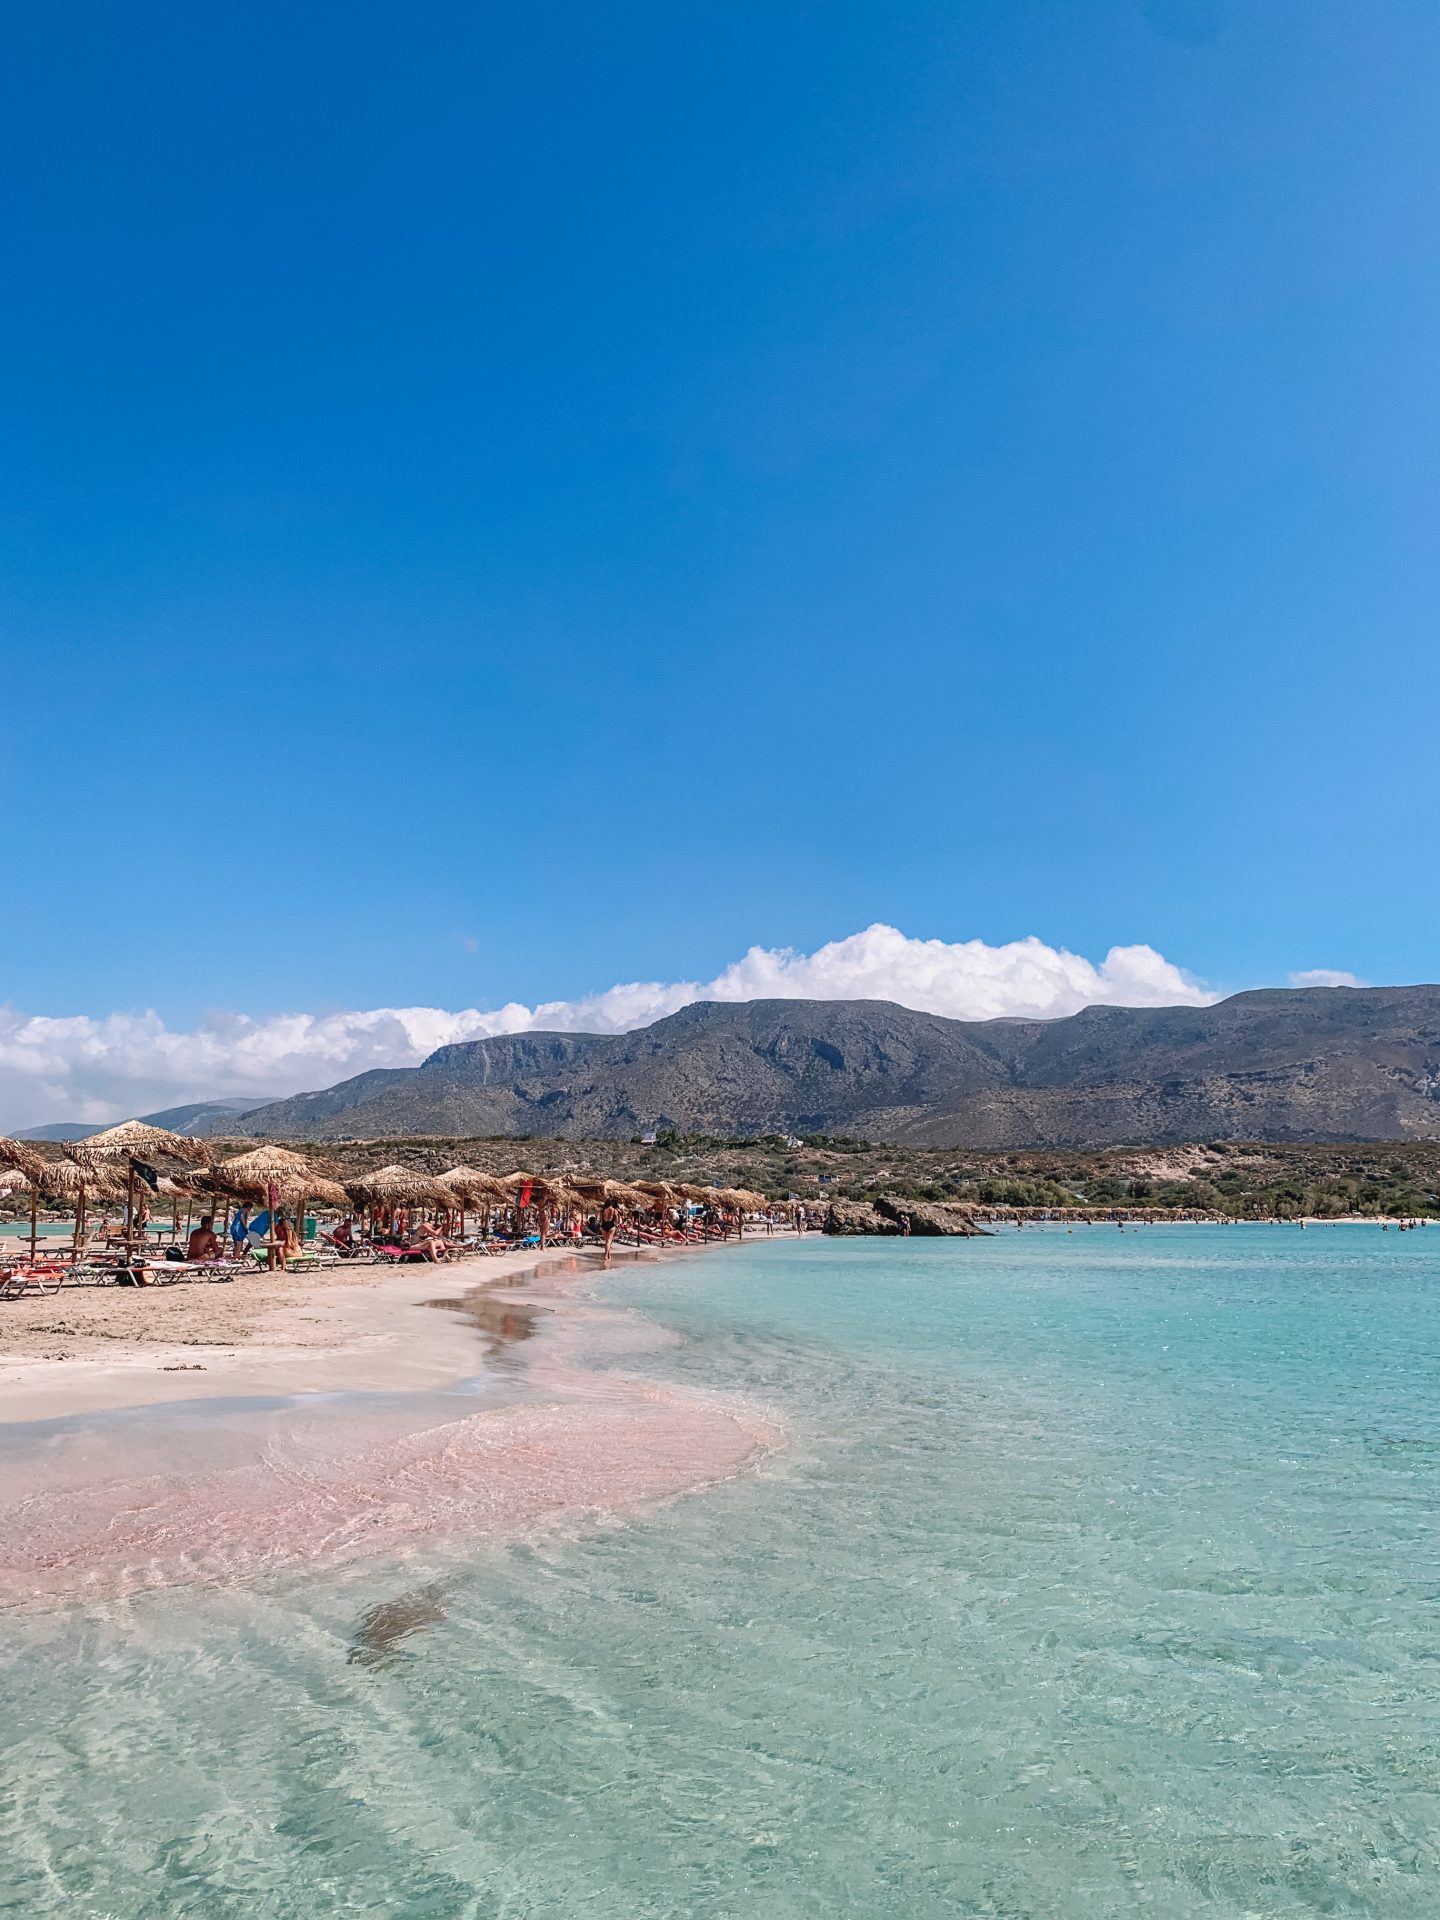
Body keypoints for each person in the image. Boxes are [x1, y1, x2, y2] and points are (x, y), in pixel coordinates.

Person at [599, 1196, 620, 1268]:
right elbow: (617, 1221)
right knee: (608, 1242)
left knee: (607, 1242)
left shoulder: (603, 1209)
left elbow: (601, 1219)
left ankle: (609, 1255)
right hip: (611, 1225)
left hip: (603, 1226)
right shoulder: (614, 1210)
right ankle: (605, 1255)